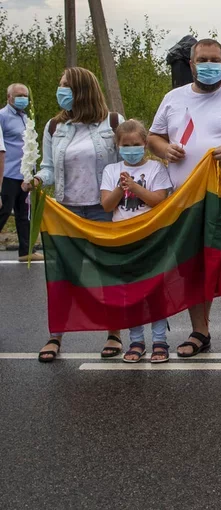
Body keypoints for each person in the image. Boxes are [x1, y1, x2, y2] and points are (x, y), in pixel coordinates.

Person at [148, 39, 221, 359]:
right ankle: (201, 332)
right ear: (192, 64)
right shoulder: (173, 98)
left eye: (215, 59)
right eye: (202, 60)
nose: (209, 65)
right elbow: (154, 136)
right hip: (187, 202)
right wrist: (163, 148)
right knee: (194, 269)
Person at [26, 67, 124, 362]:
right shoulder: (54, 127)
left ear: (82, 90)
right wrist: (37, 180)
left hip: (103, 210)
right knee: (62, 275)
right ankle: (55, 336)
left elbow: (124, 165)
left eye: (65, 85)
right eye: (60, 85)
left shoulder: (113, 123)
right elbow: (48, 168)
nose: (61, 91)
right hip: (65, 211)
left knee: (109, 273)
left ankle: (114, 335)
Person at [100, 120, 173, 363]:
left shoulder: (156, 169)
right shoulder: (111, 170)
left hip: (151, 238)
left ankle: (160, 340)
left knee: (154, 290)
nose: (131, 149)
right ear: (118, 146)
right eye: (126, 145)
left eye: (136, 145)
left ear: (145, 144)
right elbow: (107, 205)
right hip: (123, 240)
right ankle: (136, 340)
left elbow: (159, 200)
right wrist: (121, 190)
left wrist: (134, 187)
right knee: (130, 292)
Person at [0, 84, 42, 262]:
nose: (22, 98)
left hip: (24, 176)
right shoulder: (2, 116)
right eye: (18, 95)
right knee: (3, 211)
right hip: (8, 174)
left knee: (24, 214)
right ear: (9, 97)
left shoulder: (26, 117)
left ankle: (26, 251)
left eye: (25, 95)